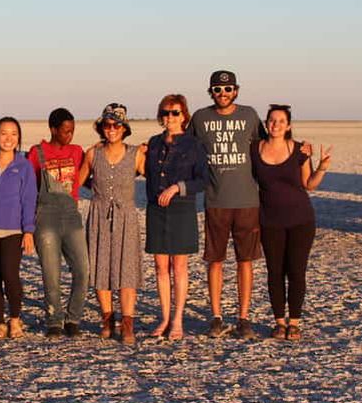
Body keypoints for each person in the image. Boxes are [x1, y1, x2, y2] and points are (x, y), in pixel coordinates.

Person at [187, 70, 266, 339]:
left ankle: (244, 318)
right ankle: (216, 317)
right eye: (218, 90)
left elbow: (265, 149)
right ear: (211, 92)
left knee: (245, 260)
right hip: (215, 200)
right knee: (215, 260)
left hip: (247, 201)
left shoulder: (250, 116)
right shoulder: (200, 118)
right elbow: (187, 150)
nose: (223, 94)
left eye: (228, 89)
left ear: (237, 90)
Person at [251, 104, 331, 341]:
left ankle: (294, 322)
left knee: (296, 271)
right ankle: (278, 322)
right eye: (272, 121)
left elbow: (309, 184)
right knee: (275, 272)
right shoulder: (254, 150)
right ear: (266, 124)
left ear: (289, 125)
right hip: (269, 220)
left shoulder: (299, 150)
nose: (276, 125)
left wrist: (322, 167)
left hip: (301, 220)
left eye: (281, 121)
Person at [78, 104, 146, 344]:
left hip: (126, 215)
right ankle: (107, 319)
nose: (112, 129)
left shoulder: (136, 154)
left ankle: (127, 323)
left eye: (117, 125)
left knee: (126, 269)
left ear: (124, 128)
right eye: (107, 125)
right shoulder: (92, 153)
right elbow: (78, 181)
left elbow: (157, 175)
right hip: (98, 214)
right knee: (100, 267)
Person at [145, 95, 208, 341]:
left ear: (184, 116)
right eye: (166, 112)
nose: (170, 117)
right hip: (156, 209)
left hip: (181, 207)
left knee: (179, 266)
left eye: (175, 112)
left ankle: (178, 319)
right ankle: (164, 317)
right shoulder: (153, 143)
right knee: (160, 266)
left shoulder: (193, 145)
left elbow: (202, 179)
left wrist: (177, 187)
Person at [27, 108, 88, 338]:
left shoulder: (77, 152)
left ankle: (73, 319)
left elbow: (90, 176)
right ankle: (54, 321)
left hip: (71, 215)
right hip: (46, 217)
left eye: (72, 131)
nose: (69, 136)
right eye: (64, 131)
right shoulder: (37, 152)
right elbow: (28, 187)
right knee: (51, 274)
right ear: (53, 129)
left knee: (83, 270)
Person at [0, 117, 37, 338]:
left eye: (13, 133)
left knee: (10, 274)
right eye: (3, 133)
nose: (8, 138)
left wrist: (28, 230)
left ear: (19, 138)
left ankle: (14, 319)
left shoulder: (23, 166)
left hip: (14, 231)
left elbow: (29, 199)